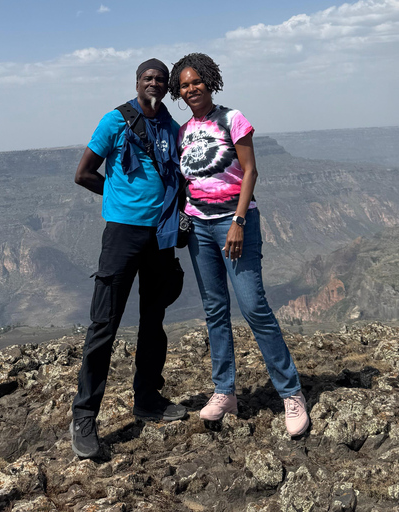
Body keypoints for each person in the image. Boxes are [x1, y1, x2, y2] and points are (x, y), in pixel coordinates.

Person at [167, 53, 310, 437]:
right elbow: (187, 182)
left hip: (234, 224)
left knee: (253, 306)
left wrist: (239, 221)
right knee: (215, 309)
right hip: (199, 227)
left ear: (210, 82)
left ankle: (291, 393)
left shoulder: (233, 119)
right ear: (177, 92)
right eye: (184, 84)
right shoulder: (184, 132)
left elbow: (250, 171)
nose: (191, 88)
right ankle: (224, 391)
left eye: (197, 81)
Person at [70, 58, 188, 459]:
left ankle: (148, 399)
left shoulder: (171, 128)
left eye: (160, 79)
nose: (154, 83)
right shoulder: (115, 121)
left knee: (153, 320)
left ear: (166, 85)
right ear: (137, 82)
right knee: (105, 324)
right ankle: (85, 416)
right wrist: (118, 199)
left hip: (161, 235)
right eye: (147, 78)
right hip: (122, 235)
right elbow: (84, 173)